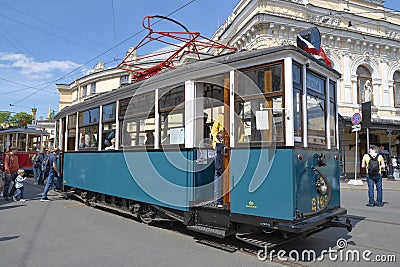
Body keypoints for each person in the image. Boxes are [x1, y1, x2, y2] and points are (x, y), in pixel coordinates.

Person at [214, 131, 225, 208]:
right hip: (220, 170)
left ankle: (218, 201)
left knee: (218, 186)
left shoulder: (218, 147)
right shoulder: (221, 148)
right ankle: (219, 201)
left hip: (219, 169)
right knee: (219, 185)